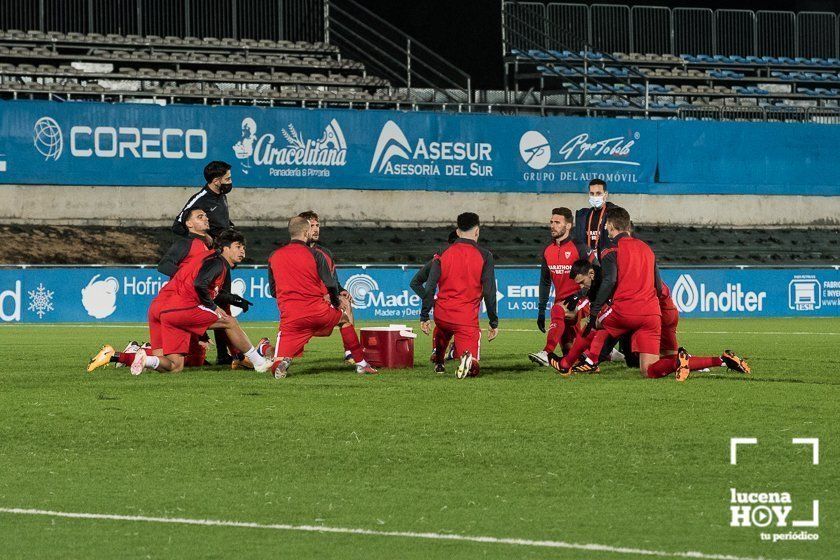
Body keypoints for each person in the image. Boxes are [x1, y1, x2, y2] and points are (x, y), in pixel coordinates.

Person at [88, 229, 269, 375]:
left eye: (243, 247)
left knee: (175, 366)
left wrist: (232, 299)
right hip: (179, 308)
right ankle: (260, 363)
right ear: (225, 248)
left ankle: (120, 356)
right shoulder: (217, 262)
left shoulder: (208, 259)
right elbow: (200, 284)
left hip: (163, 309)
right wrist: (214, 307)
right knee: (229, 321)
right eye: (238, 246)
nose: (242, 251)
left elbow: (203, 285)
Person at [263, 216, 376, 378]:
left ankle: (282, 362)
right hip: (318, 312)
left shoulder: (274, 256)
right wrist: (336, 303)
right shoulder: (316, 254)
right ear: (306, 232)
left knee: (278, 360)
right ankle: (361, 364)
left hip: (291, 319)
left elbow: (273, 291)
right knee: (344, 320)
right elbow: (330, 284)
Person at [171, 161, 236, 365]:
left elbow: (221, 224)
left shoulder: (220, 196)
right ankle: (194, 353)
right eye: (227, 178)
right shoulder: (200, 199)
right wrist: (202, 236)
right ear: (216, 181)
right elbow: (178, 226)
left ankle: (224, 354)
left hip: (220, 258)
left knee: (223, 303)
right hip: (205, 262)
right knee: (202, 304)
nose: (230, 182)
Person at [419, 212, 499, 378]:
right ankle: (467, 360)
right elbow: (489, 292)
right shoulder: (485, 255)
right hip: (465, 320)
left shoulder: (442, 252)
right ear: (477, 231)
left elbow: (430, 286)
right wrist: (493, 321)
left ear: (457, 231)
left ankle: (439, 360)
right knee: (473, 366)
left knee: (442, 330)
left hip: (442, 315)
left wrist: (424, 316)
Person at [528, 207, 595, 367]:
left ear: (568, 225)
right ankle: (604, 352)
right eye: (551, 222)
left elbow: (596, 272)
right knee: (570, 353)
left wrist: (580, 294)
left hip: (582, 299)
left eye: (557, 222)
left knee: (558, 310)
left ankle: (546, 352)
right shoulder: (547, 250)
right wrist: (541, 310)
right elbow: (545, 282)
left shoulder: (580, 247)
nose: (552, 225)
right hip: (561, 302)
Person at [298, 210, 355, 364]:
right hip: (302, 303)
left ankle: (350, 352)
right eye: (311, 225)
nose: (316, 229)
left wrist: (341, 290)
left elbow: (333, 281)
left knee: (345, 302)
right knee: (286, 355)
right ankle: (264, 348)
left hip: (324, 301)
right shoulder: (295, 252)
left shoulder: (325, 253)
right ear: (302, 228)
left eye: (318, 225)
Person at [410, 229, 459, 368]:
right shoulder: (445, 259)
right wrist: (430, 304)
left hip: (446, 306)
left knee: (443, 325)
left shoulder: (439, 258)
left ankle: (440, 352)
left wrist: (428, 308)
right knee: (467, 328)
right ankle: (454, 352)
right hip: (461, 304)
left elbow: (416, 283)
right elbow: (424, 285)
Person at [573, 179, 616, 259]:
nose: (595, 196)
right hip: (588, 262)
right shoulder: (583, 216)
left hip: (607, 261)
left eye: (598, 193)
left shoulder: (614, 214)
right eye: (592, 193)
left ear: (605, 194)